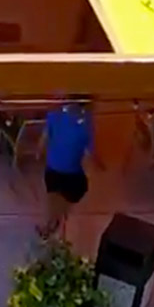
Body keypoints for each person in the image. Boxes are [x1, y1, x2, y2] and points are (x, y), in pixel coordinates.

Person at [40, 97, 94, 239]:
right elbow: (89, 152)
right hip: (71, 175)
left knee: (54, 200)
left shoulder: (54, 114)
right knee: (62, 202)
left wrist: (39, 152)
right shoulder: (86, 122)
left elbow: (45, 137)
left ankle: (52, 224)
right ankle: (57, 224)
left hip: (55, 170)